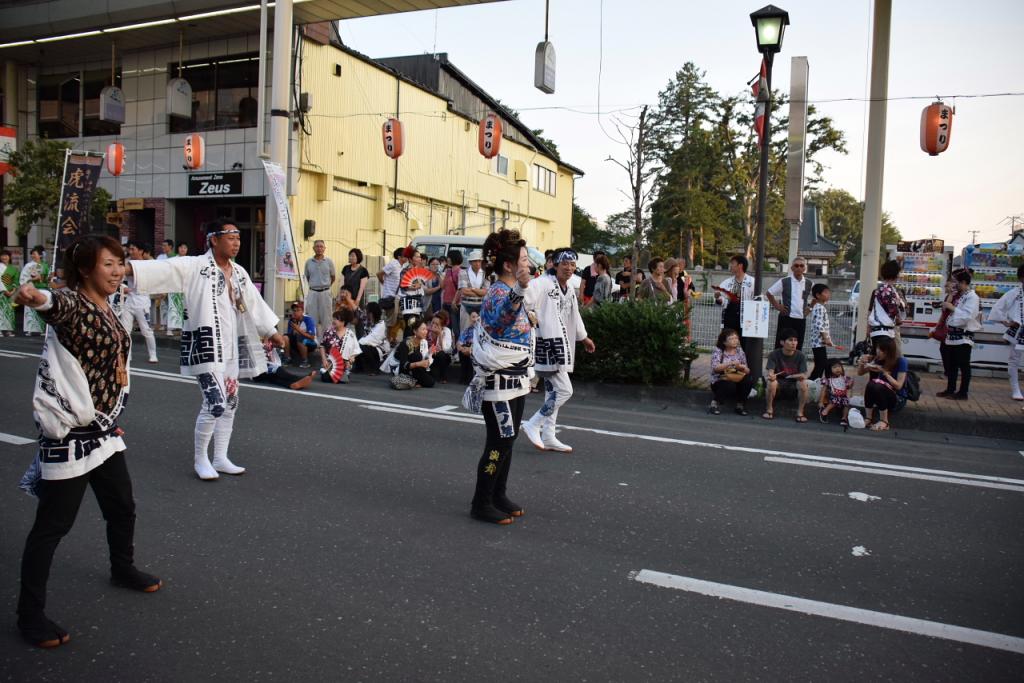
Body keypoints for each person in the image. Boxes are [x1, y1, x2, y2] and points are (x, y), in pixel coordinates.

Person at [13, 234, 161, 649]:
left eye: (120, 263)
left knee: (122, 507)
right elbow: (52, 303)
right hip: (71, 436)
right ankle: (29, 616)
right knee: (52, 527)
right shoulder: (75, 305)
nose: (117, 272)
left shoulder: (109, 305)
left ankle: (123, 568)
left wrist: (109, 418)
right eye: (107, 264)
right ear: (84, 270)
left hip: (103, 432)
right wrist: (34, 295)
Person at [125, 218, 285, 481]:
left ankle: (220, 457)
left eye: (238, 238)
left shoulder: (240, 273)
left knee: (231, 402)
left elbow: (254, 305)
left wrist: (272, 332)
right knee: (216, 402)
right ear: (214, 239)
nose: (236, 243)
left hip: (232, 346)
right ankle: (201, 458)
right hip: (205, 346)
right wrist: (124, 268)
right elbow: (163, 269)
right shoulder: (195, 266)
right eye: (230, 237)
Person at [466, 229, 534, 525]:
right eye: (523, 258)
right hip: (497, 381)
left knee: (510, 438)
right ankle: (481, 502)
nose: (528, 262)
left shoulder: (512, 291)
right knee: (500, 439)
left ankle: (498, 494)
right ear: (508, 265)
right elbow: (501, 319)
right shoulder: (498, 292)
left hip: (515, 377)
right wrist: (519, 292)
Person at [520, 248, 596, 453]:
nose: (569, 268)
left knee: (553, 392)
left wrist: (584, 337)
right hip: (547, 343)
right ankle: (534, 423)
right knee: (565, 390)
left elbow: (575, 315)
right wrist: (531, 321)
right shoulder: (542, 283)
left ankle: (549, 435)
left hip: (562, 344)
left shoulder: (569, 289)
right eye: (565, 264)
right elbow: (522, 301)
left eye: (573, 265)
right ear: (554, 263)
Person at [938, 268, 981, 400]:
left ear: (963, 282)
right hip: (952, 335)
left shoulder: (972, 297)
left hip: (964, 335)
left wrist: (952, 308)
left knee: (963, 364)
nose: (953, 284)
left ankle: (963, 392)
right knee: (952, 364)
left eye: (955, 282)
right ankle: (950, 389)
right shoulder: (960, 295)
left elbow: (968, 316)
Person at [987, 263, 1024, 400]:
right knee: (1014, 360)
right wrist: (1006, 322)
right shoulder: (1014, 293)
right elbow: (997, 309)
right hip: (1018, 330)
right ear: (1021, 278)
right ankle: (1016, 389)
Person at [857, 336, 908, 432]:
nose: (878, 352)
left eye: (882, 350)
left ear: (890, 352)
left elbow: (898, 386)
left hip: (897, 398)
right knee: (871, 384)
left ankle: (884, 421)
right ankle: (868, 418)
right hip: (881, 396)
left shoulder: (901, 361)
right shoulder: (877, 359)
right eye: (878, 349)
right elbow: (860, 373)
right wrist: (861, 363)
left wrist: (884, 372)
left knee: (878, 385)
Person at [763, 328, 809, 422]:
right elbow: (770, 372)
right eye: (790, 340)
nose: (794, 343)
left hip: (794, 383)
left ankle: (800, 412)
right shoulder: (774, 354)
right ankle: (769, 409)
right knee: (771, 382)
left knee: (803, 383)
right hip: (779, 383)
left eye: (795, 340)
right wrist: (771, 375)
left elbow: (804, 375)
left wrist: (791, 376)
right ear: (782, 342)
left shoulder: (800, 355)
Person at [766, 257, 813, 350]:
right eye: (796, 265)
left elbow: (817, 296)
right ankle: (778, 364)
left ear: (804, 268)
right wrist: (777, 306)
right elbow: (769, 293)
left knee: (797, 346)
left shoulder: (809, 283)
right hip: (786, 318)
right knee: (781, 344)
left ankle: (795, 364)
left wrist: (810, 308)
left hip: (801, 319)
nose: (799, 268)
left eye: (801, 265)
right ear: (792, 268)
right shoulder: (784, 281)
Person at [716, 254, 755, 356]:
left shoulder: (752, 282)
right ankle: (724, 367)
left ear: (740, 265)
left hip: (747, 319)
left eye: (733, 263)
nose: (731, 266)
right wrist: (718, 298)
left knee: (747, 346)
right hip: (730, 317)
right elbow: (721, 298)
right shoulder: (727, 282)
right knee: (727, 343)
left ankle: (747, 369)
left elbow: (758, 299)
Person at [708, 328, 753, 416]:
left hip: (736, 378)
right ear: (724, 342)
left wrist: (741, 367)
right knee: (728, 383)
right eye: (731, 339)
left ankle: (740, 405)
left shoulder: (740, 351)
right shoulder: (718, 351)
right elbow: (715, 368)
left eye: (736, 338)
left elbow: (747, 370)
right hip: (720, 380)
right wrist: (731, 363)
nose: (735, 340)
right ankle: (714, 404)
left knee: (748, 380)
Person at [867, 259, 906, 348]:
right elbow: (893, 311)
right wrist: (900, 305)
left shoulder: (878, 290)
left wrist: (868, 329)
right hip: (885, 332)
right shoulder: (889, 290)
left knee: (880, 357)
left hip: (877, 330)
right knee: (887, 359)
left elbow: (870, 311)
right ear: (895, 274)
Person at [319, 308, 361, 384]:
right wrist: (324, 359)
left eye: (336, 319)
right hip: (329, 363)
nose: (334, 321)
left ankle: (343, 374)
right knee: (326, 378)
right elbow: (322, 346)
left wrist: (352, 357)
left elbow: (356, 349)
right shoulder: (328, 331)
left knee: (340, 380)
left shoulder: (350, 334)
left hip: (344, 365)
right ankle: (332, 375)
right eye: (334, 318)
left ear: (343, 321)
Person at [303, 240, 336, 336]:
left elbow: (333, 277)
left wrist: (326, 286)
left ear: (324, 248)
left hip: (325, 292)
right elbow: (307, 277)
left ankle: (328, 340)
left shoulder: (329, 262)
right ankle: (314, 342)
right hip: (312, 292)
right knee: (312, 318)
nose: (319, 248)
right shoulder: (308, 262)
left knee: (327, 318)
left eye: (321, 246)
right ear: (313, 248)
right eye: (317, 246)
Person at [393, 317, 434, 388]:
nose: (426, 332)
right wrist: (419, 364)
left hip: (416, 369)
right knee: (417, 355)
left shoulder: (424, 342)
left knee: (430, 382)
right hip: (403, 369)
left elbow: (425, 361)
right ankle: (413, 379)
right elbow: (403, 365)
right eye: (423, 329)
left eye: (426, 329)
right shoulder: (406, 343)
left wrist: (430, 354)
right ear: (415, 331)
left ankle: (415, 380)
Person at [20, 245, 50, 336]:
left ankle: (42, 329)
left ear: (40, 255)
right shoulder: (29, 265)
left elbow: (47, 278)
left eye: (35, 254)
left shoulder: (45, 265)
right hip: (32, 288)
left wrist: (45, 278)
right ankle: (30, 329)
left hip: (43, 289)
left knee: (41, 308)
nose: (33, 255)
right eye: (32, 254)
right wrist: (32, 280)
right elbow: (24, 278)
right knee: (31, 308)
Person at [808, 283, 835, 380]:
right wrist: (826, 338)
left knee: (821, 364)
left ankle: (814, 382)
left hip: (819, 342)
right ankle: (811, 383)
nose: (828, 294)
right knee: (821, 364)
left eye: (829, 292)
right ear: (818, 295)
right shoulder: (819, 307)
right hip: (818, 342)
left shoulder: (819, 307)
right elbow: (819, 324)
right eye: (826, 292)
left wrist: (827, 339)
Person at [356, 302, 389, 375]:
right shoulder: (368, 321)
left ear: (372, 313)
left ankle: (375, 369)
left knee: (363, 346)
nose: (366, 314)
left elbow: (371, 340)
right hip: (370, 344)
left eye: (368, 312)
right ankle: (359, 367)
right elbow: (358, 312)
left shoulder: (381, 325)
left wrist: (357, 343)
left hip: (379, 349)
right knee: (359, 345)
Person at [459, 250, 488, 332]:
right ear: (470, 262)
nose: (477, 263)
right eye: (475, 261)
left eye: (479, 261)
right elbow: (464, 291)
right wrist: (480, 292)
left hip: (481, 306)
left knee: (479, 332)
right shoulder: (463, 272)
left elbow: (486, 292)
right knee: (465, 331)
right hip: (466, 306)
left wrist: (472, 289)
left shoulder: (485, 273)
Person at [819, 359, 854, 426]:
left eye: (839, 366)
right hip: (831, 396)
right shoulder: (828, 380)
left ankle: (844, 418)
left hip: (843, 396)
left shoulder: (845, 378)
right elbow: (823, 391)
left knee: (847, 402)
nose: (837, 369)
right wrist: (821, 401)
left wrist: (850, 384)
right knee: (836, 399)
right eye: (834, 367)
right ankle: (824, 412)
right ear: (829, 369)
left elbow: (848, 388)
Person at [165, 242, 188, 337]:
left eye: (185, 248)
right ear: (178, 249)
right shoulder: (173, 260)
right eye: (181, 247)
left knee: (184, 307)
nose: (183, 249)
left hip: (185, 286)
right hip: (174, 285)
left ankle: (183, 329)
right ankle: (169, 329)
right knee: (173, 307)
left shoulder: (189, 260)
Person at [286, 303, 318, 368]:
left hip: (311, 343)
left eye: (298, 310)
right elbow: (290, 335)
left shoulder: (308, 319)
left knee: (300, 337)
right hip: (297, 343)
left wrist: (298, 330)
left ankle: (305, 361)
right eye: (294, 310)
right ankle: (288, 359)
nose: (295, 312)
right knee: (285, 337)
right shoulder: (291, 321)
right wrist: (294, 331)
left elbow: (312, 337)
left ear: (302, 311)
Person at [442, 249, 464, 342]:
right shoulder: (448, 271)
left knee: (456, 329)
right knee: (446, 328)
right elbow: (442, 286)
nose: (447, 259)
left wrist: (454, 301)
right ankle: (448, 347)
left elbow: (460, 289)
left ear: (453, 258)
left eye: (449, 257)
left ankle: (457, 349)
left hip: (455, 304)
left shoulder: (460, 272)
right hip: (446, 302)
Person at [428, 310, 454, 383]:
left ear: (442, 325)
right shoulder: (427, 330)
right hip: (430, 354)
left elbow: (446, 349)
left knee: (441, 354)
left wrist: (439, 334)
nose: (433, 325)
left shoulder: (446, 331)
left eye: (437, 324)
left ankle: (443, 377)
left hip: (443, 356)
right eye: (432, 322)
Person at [456, 309, 480, 384]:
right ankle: (463, 377)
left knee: (470, 356)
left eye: (476, 317)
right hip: (466, 348)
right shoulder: (466, 330)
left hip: (476, 350)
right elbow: (459, 342)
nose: (475, 319)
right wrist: (462, 348)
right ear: (470, 319)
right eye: (473, 317)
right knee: (462, 353)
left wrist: (470, 349)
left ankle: (469, 378)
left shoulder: (481, 330)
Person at [1, 249, 20, 336]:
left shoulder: (14, 269)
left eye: (6, 255)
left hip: (10, 292)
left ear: (9, 257)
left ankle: (8, 330)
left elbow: (16, 280)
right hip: (1, 292)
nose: (4, 257)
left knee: (9, 311)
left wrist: (13, 290)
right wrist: (4, 290)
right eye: (2, 255)